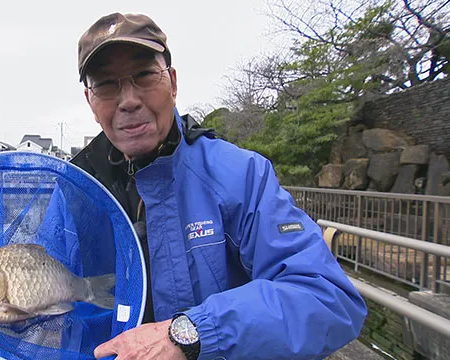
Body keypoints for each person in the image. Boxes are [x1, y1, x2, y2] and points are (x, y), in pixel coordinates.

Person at [64, 12, 367, 360]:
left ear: (173, 83)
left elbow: (328, 299)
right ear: (90, 101)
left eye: (145, 75)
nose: (129, 100)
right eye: (106, 84)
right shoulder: (72, 190)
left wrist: (192, 332)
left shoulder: (241, 174)